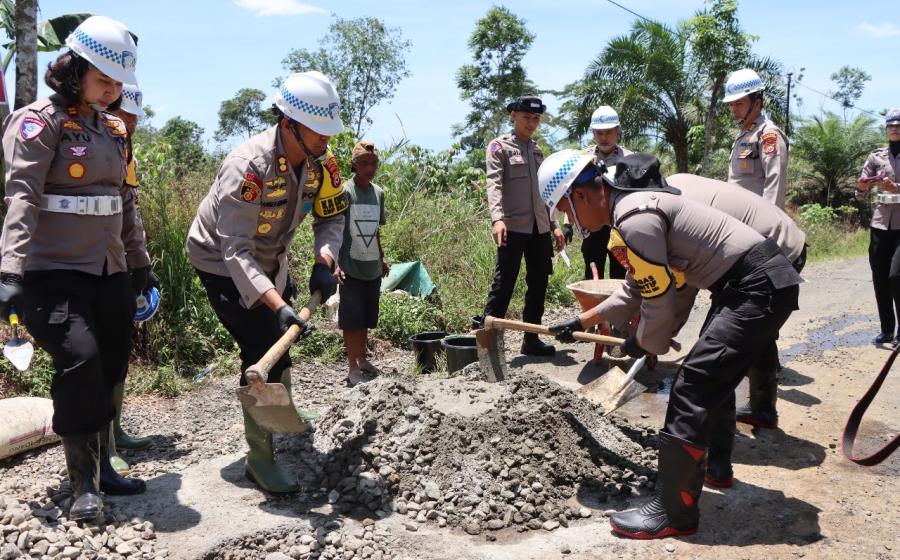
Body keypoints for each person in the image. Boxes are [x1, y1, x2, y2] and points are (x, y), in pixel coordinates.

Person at [541, 151, 801, 539]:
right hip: (750, 285)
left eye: (565, 211)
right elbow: (633, 288)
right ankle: (714, 471)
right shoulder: (632, 208)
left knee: (692, 384)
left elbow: (658, 301)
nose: (571, 222)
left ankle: (673, 513)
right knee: (706, 378)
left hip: (755, 287)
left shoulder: (634, 217)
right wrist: (581, 321)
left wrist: (640, 342)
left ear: (579, 196)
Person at [0, 15, 149, 521]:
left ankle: (104, 468)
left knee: (111, 362)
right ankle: (82, 482)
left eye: (118, 84)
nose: (112, 92)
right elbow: (22, 197)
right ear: (74, 70)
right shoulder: (37, 123)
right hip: (53, 269)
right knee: (80, 360)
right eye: (104, 80)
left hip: (108, 268)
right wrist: (10, 273)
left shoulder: (112, 129)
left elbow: (124, 201)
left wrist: (140, 264)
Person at [186, 71, 345, 494]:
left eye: (329, 129)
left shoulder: (322, 162)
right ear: (289, 123)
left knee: (281, 345)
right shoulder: (248, 166)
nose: (326, 138)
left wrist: (325, 259)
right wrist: (279, 305)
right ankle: (260, 459)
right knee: (261, 346)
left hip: (271, 257)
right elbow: (235, 250)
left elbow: (332, 217)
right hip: (221, 261)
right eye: (318, 129)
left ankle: (281, 416)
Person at [645, 171, 807, 487]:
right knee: (754, 332)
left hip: (770, 254)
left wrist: (657, 338)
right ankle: (763, 410)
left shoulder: (666, 214)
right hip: (784, 241)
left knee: (712, 361)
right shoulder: (672, 188)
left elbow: (681, 291)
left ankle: (716, 465)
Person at [475, 95, 565, 356]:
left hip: (539, 228)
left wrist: (554, 224)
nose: (531, 123)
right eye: (526, 117)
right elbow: (494, 184)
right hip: (512, 227)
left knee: (539, 283)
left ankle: (531, 339)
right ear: (513, 116)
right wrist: (497, 219)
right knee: (504, 283)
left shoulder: (537, 150)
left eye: (536, 118)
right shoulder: (499, 147)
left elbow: (545, 191)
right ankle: (488, 343)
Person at [106, 83, 157, 476]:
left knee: (117, 348)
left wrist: (140, 263)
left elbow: (129, 211)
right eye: (126, 116)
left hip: (119, 262)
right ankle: (103, 444)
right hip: (88, 264)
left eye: (135, 119)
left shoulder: (125, 150)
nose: (131, 124)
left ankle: (116, 430)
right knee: (98, 354)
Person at [334, 141, 389, 385]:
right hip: (351, 267)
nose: (369, 168)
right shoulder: (345, 192)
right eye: (364, 163)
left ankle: (363, 360)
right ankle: (352, 368)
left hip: (371, 266)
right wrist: (336, 263)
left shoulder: (378, 193)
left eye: (373, 163)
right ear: (354, 165)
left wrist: (382, 256)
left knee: (366, 318)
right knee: (352, 320)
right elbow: (335, 229)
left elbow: (376, 230)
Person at [857, 108, 900, 345]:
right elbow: (860, 194)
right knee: (880, 277)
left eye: (898, 125)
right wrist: (862, 187)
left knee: (896, 276)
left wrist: (897, 187)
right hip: (881, 223)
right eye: (891, 125)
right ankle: (887, 330)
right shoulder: (876, 157)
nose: (894, 129)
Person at [577, 105, 632, 280]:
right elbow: (574, 192)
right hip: (592, 226)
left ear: (617, 132)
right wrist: (569, 223)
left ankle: (618, 299)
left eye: (608, 132)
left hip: (620, 227)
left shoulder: (631, 159)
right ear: (593, 134)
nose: (604, 137)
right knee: (593, 274)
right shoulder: (581, 159)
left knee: (620, 276)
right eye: (599, 133)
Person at [724, 68, 789, 209]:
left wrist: (768, 220)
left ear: (757, 104)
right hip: (737, 217)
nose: (733, 109)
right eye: (731, 104)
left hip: (755, 219)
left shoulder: (768, 134)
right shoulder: (745, 134)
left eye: (739, 103)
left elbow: (775, 183)